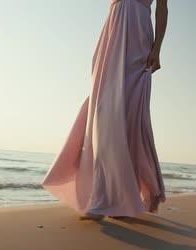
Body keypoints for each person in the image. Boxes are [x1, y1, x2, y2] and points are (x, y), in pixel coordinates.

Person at [41, 0, 168, 221]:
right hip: (113, 34)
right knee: (102, 112)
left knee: (128, 115)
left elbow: (163, 8)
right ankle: (105, 198)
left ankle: (118, 198)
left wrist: (157, 49)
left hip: (138, 37)